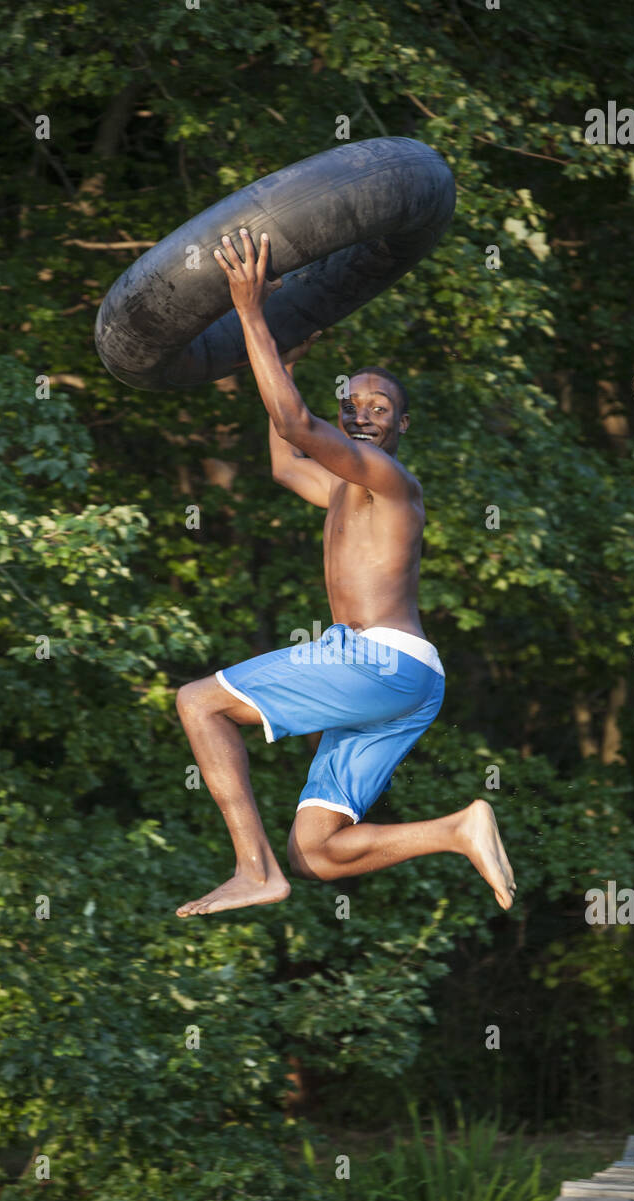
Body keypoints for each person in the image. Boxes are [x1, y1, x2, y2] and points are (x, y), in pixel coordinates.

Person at [175, 227, 516, 917]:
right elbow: (283, 460)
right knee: (318, 851)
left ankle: (252, 870)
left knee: (198, 702)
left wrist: (251, 313)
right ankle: (459, 828)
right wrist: (288, 359)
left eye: (378, 408)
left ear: (402, 427)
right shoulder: (342, 489)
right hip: (405, 682)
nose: (361, 414)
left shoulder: (388, 479)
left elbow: (297, 426)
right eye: (352, 404)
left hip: (380, 663)